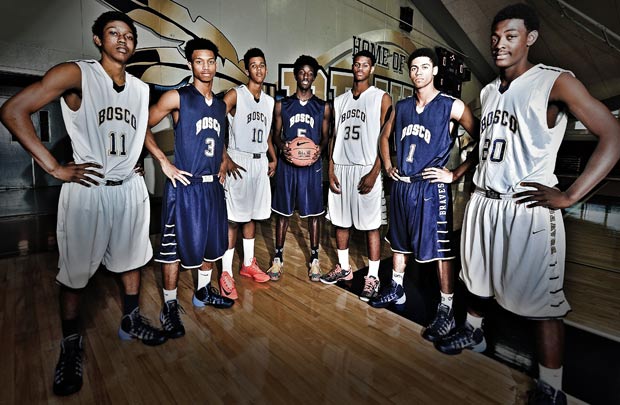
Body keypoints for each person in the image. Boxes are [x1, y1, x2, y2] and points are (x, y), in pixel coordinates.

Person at [433, 4, 620, 404]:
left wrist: (570, 196)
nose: (500, 44)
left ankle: (552, 386)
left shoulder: (556, 83)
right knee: (477, 282)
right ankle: (475, 333)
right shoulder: (486, 91)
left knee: (544, 306)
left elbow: (612, 135)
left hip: (527, 209)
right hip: (485, 203)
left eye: (511, 36)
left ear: (530, 38)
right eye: (496, 37)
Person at [0, 11, 167, 396]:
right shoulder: (77, 74)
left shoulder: (142, 91)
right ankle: (71, 344)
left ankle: (130, 320)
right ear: (97, 39)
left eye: (129, 35)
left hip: (128, 189)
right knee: (75, 276)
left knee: (132, 262)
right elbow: (12, 111)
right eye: (113, 33)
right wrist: (54, 167)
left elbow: (133, 134)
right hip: (88, 190)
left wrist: (138, 164)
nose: (123, 40)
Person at [373, 48, 479, 344]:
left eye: (424, 67)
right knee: (399, 241)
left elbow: (482, 139)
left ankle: (445, 309)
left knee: (441, 250)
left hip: (432, 188)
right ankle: (397, 287)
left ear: (434, 71)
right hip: (403, 185)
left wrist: (456, 174)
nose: (418, 72)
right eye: (414, 67)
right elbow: (384, 136)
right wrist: (388, 164)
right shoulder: (402, 106)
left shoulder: (452, 105)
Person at [145, 38, 235, 339]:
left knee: (211, 245)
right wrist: (163, 162)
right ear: (190, 64)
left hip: (212, 188)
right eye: (199, 61)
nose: (206, 66)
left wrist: (223, 159)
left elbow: (217, 140)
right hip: (184, 186)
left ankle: (202, 292)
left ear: (216, 65)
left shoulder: (221, 106)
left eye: (211, 61)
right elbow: (140, 125)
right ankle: (169, 306)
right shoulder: (177, 97)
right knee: (172, 251)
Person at [321, 50, 393, 303]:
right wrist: (330, 168)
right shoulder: (339, 101)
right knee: (340, 221)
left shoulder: (381, 98)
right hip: (341, 166)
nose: (360, 68)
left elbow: (386, 139)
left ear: (372, 69)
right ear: (353, 68)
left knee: (371, 225)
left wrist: (376, 171)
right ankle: (343, 266)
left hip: (365, 167)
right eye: (357, 64)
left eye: (366, 65)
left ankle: (373, 276)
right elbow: (333, 138)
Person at [267, 55, 331, 282]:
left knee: (314, 214)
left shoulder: (322, 107)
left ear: (314, 77)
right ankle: (278, 257)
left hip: (311, 167)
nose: (306, 76)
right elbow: (274, 133)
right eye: (302, 72)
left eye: (310, 73)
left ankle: (314, 259)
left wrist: (319, 151)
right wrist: (281, 145)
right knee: (283, 213)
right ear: (296, 75)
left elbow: (325, 137)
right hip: (288, 165)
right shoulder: (282, 104)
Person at [221, 48, 277, 298]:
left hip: (259, 162)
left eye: (262, 65)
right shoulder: (235, 95)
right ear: (247, 69)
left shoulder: (269, 101)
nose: (258, 70)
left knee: (252, 215)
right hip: (238, 159)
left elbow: (267, 135)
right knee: (233, 219)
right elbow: (213, 120)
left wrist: (273, 157)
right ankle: (225, 272)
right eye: (254, 65)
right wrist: (223, 157)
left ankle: (247, 264)